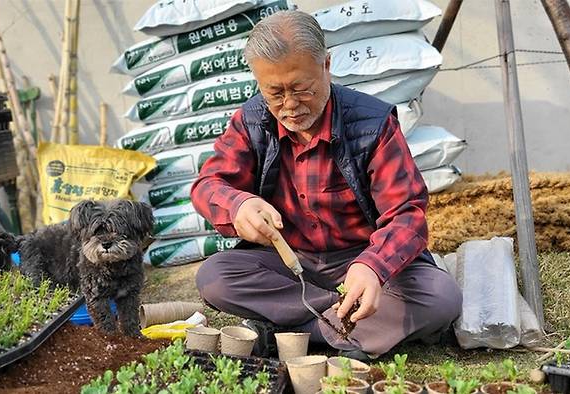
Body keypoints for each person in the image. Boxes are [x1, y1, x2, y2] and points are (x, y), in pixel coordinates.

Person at [190, 10, 462, 359]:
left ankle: (287, 333)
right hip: (291, 262)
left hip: (361, 258)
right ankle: (346, 329)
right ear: (259, 83)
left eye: (301, 89)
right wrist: (237, 204)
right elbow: (208, 184)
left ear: (326, 65)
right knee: (215, 276)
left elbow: (407, 214)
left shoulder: (372, 123)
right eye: (275, 92)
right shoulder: (252, 120)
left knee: (440, 296)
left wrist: (373, 266)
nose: (289, 105)